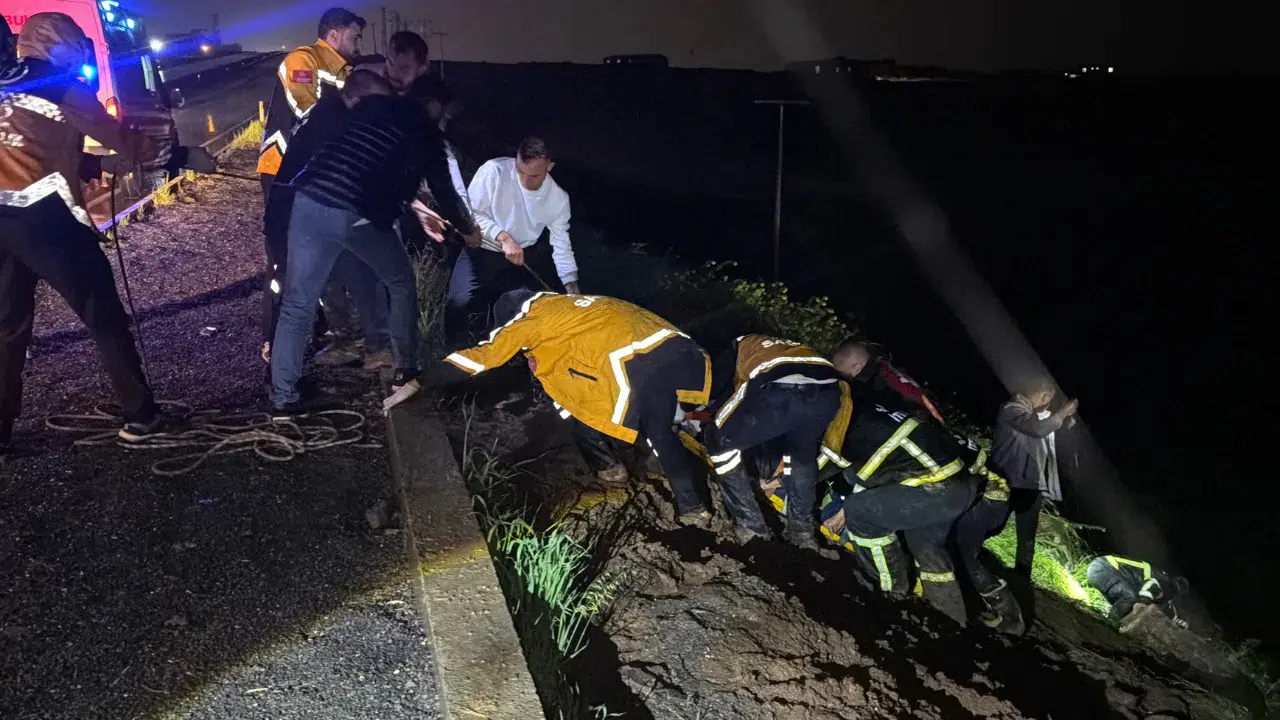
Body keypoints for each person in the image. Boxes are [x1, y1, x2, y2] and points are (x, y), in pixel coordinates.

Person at [1, 12, 214, 452]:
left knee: (7, 329)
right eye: (76, 42)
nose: (81, 51)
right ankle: (141, 416)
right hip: (48, 220)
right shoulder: (61, 84)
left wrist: (97, 164)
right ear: (55, 44)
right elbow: (126, 139)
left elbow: (30, 147)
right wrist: (182, 156)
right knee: (104, 314)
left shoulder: (5, 85)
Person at [269, 81, 475, 417]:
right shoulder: (427, 135)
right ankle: (405, 370)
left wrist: (417, 209)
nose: (445, 122)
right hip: (354, 213)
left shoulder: (372, 107)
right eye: (446, 115)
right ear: (435, 106)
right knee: (401, 283)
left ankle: (283, 396)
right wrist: (469, 230)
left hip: (308, 200)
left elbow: (366, 162)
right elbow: (446, 193)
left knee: (297, 302)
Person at [433, 288, 716, 525]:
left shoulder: (530, 321)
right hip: (681, 351)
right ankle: (689, 475)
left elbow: (484, 356)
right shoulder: (578, 303)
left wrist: (425, 380)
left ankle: (680, 502)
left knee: (646, 429)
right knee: (671, 425)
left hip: (637, 366)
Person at [262, 69, 396, 372]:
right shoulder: (332, 123)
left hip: (309, 211)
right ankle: (361, 344)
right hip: (300, 215)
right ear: (358, 100)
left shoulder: (333, 114)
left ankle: (361, 342)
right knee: (338, 275)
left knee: (349, 272)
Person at [258, 7, 365, 364]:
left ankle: (327, 331)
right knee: (284, 259)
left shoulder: (347, 72)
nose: (358, 43)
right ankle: (274, 343)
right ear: (334, 34)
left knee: (323, 249)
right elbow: (309, 113)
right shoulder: (303, 61)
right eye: (354, 36)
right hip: (284, 172)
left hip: (319, 174)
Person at [819, 402, 977, 624]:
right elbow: (864, 480)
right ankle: (952, 620)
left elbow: (860, 482)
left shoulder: (863, 433)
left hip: (938, 489)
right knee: (925, 548)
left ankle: (891, 592)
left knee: (860, 513)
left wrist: (838, 516)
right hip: (957, 486)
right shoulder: (876, 419)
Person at [703, 334, 848, 547]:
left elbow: (714, 386)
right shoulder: (788, 347)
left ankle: (752, 527)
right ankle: (803, 534)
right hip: (829, 394)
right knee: (800, 457)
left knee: (718, 441)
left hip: (777, 389)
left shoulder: (739, 344)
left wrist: (695, 407)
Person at [449, 137, 579, 326]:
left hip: (519, 260)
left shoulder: (558, 199)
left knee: (521, 313)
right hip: (479, 249)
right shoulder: (494, 170)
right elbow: (471, 214)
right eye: (520, 171)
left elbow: (562, 247)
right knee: (459, 304)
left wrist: (573, 291)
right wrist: (504, 237)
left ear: (549, 167)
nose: (524, 180)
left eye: (533, 176)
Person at [991, 378, 1079, 576]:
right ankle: (969, 554)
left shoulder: (1036, 415)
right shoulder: (1012, 408)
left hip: (1031, 485)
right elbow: (1037, 430)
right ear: (1045, 396)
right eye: (1050, 399)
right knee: (993, 525)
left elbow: (1052, 433)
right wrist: (1063, 412)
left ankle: (1022, 577)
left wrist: (1068, 422)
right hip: (1006, 480)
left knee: (1027, 537)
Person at [831, 340, 945, 424]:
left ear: (856, 367)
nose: (842, 377)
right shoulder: (886, 370)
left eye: (842, 372)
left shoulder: (874, 385)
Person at [1086, 555, 1189, 624]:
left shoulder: (1164, 592)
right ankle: (1108, 625)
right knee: (1130, 598)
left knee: (1128, 604)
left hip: (1102, 570)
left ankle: (1107, 623)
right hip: (1104, 567)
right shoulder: (1165, 583)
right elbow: (1151, 585)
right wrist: (1143, 601)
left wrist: (1176, 621)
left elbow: (1167, 612)